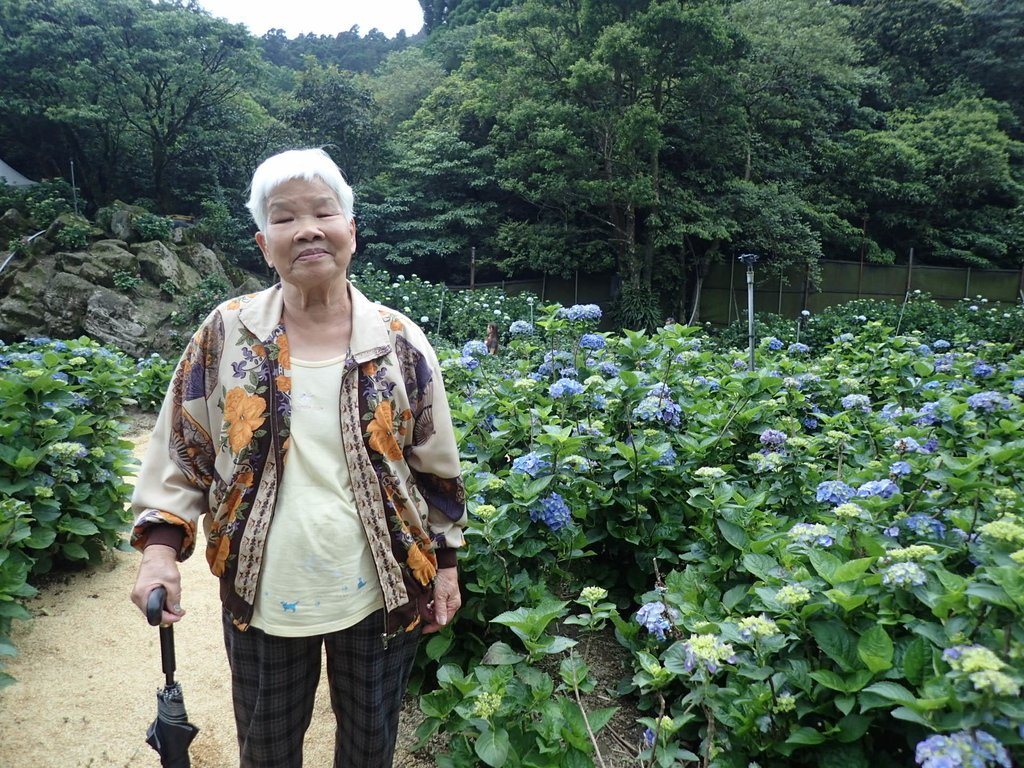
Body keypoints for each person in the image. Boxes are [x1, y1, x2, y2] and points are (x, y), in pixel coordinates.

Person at [129, 148, 467, 768]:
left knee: (370, 748)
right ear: (265, 245)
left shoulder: (399, 340)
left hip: (382, 588)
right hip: (262, 588)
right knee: (266, 748)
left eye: (323, 212)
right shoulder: (226, 334)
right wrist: (158, 554)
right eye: (284, 218)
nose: (307, 228)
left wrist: (444, 564)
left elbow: (434, 464)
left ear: (351, 231)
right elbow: (183, 451)